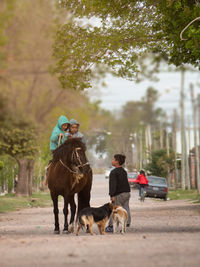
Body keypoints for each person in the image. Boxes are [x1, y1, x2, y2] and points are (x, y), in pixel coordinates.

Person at [105, 154, 131, 233]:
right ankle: (127, 222)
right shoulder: (124, 171)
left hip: (119, 194)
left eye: (113, 159)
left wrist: (112, 195)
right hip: (127, 193)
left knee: (115, 210)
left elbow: (113, 185)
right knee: (126, 208)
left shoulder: (114, 172)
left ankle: (111, 226)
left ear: (117, 162)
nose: (112, 160)